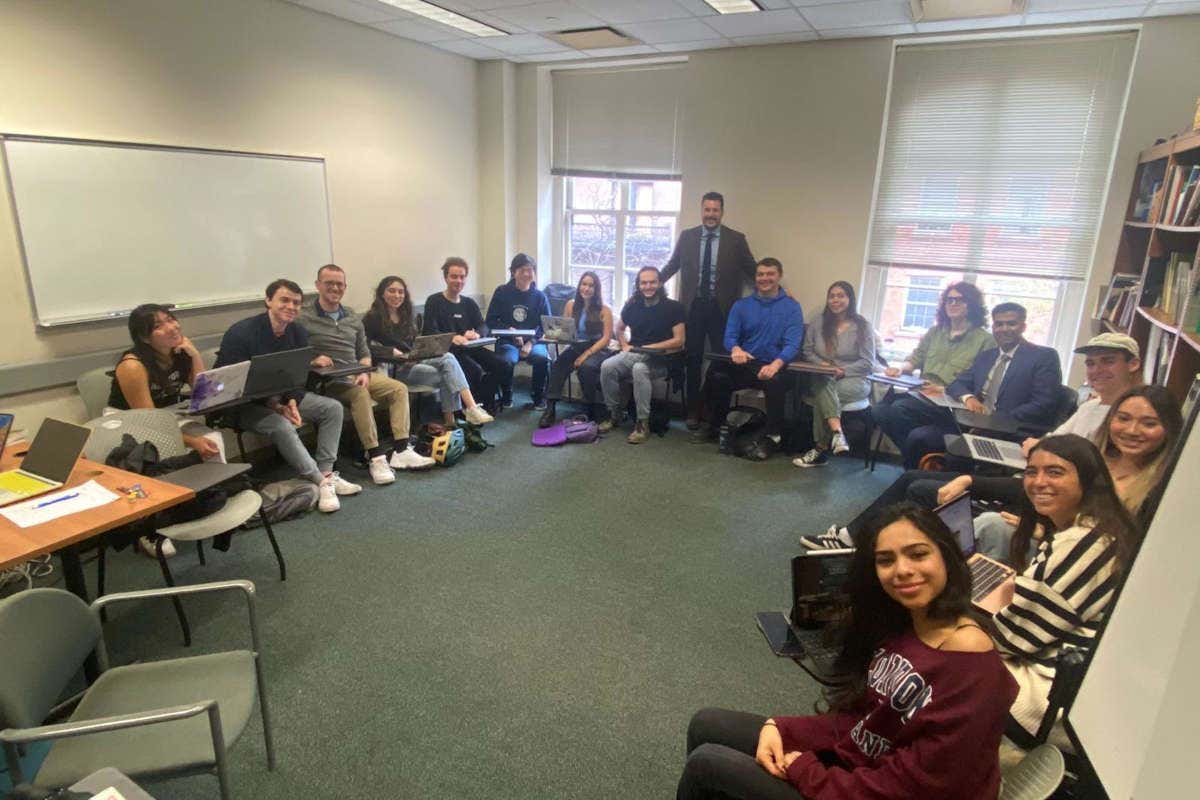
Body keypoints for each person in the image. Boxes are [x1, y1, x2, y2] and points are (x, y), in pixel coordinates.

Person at [678, 503, 1016, 799]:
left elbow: (914, 789)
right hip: (865, 766)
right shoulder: (909, 623)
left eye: (918, 554)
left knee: (707, 765)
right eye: (886, 560)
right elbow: (866, 722)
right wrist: (782, 728)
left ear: (947, 557)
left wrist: (806, 771)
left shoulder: (971, 668)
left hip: (892, 792)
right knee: (708, 723)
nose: (902, 571)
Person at [800, 332, 1145, 552]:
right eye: (1092, 363)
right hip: (1025, 464)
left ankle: (869, 541)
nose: (1097, 370)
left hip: (1030, 481)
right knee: (902, 436)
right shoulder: (1093, 404)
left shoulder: (1121, 418)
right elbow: (1054, 440)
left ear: (1133, 364)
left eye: (1108, 363)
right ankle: (858, 538)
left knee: (918, 482)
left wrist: (1032, 447)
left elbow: (1069, 458)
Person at [991, 434, 1142, 750]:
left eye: (1055, 472)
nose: (1039, 482)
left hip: (1050, 698)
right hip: (1067, 671)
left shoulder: (1085, 541)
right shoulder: (1092, 526)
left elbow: (1014, 641)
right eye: (1032, 471)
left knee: (941, 659)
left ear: (1087, 480)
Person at [968, 385, 1181, 564]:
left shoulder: (1165, 487)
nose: (1132, 430)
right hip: (1055, 541)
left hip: (1089, 564)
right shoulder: (1094, 458)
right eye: (1123, 418)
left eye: (1149, 424)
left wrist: (1048, 535)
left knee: (990, 526)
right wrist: (970, 481)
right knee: (988, 524)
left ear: (1169, 428)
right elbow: (1042, 487)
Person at [215, 279, 359, 513]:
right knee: (281, 425)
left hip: (279, 398)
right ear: (268, 300)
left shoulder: (298, 332)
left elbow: (296, 375)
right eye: (284, 300)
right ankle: (319, 481)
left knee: (332, 408)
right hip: (242, 404)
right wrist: (274, 405)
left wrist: (291, 400)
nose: (291, 306)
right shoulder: (241, 334)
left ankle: (327, 472)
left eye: (296, 303)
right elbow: (232, 384)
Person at [299, 264, 435, 485]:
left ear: (345, 287)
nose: (335, 288)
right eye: (329, 283)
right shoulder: (303, 318)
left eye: (339, 284)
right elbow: (294, 353)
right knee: (360, 394)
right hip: (327, 380)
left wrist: (364, 370)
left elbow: (364, 352)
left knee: (398, 389)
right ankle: (376, 457)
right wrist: (313, 360)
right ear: (318, 286)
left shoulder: (352, 317)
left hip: (357, 373)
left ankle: (401, 450)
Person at [108, 303, 226, 558]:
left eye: (171, 319)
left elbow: (203, 396)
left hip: (165, 414)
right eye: (159, 325)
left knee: (212, 438)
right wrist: (191, 441)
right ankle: (150, 527)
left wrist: (194, 356)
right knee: (161, 452)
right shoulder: (133, 365)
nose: (171, 327)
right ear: (143, 337)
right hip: (127, 424)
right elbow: (147, 423)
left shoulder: (180, 350)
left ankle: (209, 504)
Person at [887, 302, 1061, 469]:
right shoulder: (987, 356)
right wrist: (968, 397)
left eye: (1011, 324)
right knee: (917, 436)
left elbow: (1043, 403)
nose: (1004, 329)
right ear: (993, 328)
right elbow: (957, 384)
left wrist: (994, 419)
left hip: (1008, 431)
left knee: (946, 450)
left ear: (1023, 327)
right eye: (999, 324)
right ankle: (917, 483)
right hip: (970, 422)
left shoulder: (1042, 357)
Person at [871, 282, 995, 468]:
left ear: (972, 305)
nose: (953, 304)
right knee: (879, 410)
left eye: (959, 300)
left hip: (952, 402)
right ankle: (920, 460)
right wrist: (899, 368)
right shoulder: (935, 332)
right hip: (923, 395)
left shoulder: (985, 340)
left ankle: (914, 462)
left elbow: (981, 382)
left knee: (899, 408)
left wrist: (943, 389)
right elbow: (915, 359)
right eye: (949, 300)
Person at [660, 191, 757, 429]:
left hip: (722, 309)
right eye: (707, 210)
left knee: (722, 360)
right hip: (693, 307)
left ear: (722, 212)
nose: (711, 214)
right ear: (701, 211)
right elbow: (672, 265)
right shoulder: (687, 237)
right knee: (692, 359)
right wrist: (650, 284)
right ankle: (692, 410)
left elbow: (753, 270)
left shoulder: (736, 239)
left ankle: (713, 410)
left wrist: (777, 291)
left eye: (715, 210)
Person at [691, 257, 803, 447]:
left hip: (774, 365)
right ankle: (715, 425)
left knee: (775, 383)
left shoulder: (792, 307)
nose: (764, 278)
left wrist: (775, 365)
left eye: (770, 274)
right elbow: (730, 337)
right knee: (717, 374)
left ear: (779, 276)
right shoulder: (741, 305)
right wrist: (736, 349)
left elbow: (793, 344)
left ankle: (773, 436)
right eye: (760, 274)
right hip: (746, 363)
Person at [361, 275, 493, 428]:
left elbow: (413, 343)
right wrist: (390, 351)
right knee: (448, 372)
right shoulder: (372, 318)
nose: (397, 295)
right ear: (382, 293)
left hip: (413, 361)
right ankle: (468, 411)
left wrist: (422, 350)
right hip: (393, 369)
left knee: (447, 359)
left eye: (400, 292)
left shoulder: (406, 315)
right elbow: (362, 347)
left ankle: (454, 421)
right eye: (392, 291)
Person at [792, 282, 876, 468]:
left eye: (841, 295)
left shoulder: (863, 326)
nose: (835, 300)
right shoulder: (818, 324)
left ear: (850, 299)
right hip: (823, 375)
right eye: (832, 296)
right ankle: (838, 435)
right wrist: (822, 365)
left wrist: (843, 370)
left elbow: (868, 362)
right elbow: (807, 351)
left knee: (823, 394)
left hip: (854, 379)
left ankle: (820, 449)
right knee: (824, 386)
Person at [599, 267, 686, 444]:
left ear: (660, 283)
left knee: (639, 368)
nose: (648, 286)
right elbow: (619, 328)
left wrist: (651, 347)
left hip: (663, 359)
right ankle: (615, 414)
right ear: (638, 285)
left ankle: (642, 423)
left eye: (652, 282)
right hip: (637, 353)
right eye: (643, 283)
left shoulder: (674, 307)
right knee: (607, 366)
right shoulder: (632, 305)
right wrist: (624, 345)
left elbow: (679, 340)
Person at [422, 257, 508, 414]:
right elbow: (429, 331)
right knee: (474, 370)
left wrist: (476, 333)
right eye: (454, 276)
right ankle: (469, 408)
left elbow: (484, 326)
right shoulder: (434, 301)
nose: (458, 281)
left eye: (462, 277)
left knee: (502, 364)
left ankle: (484, 402)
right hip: (449, 352)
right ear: (445, 278)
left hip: (470, 348)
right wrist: (452, 337)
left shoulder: (468, 303)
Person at [538, 271, 613, 428]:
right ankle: (550, 408)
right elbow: (565, 331)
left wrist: (586, 354)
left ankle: (592, 407)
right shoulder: (571, 305)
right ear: (579, 286)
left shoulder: (605, 310)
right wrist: (552, 335)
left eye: (591, 285)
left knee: (586, 368)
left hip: (597, 348)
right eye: (584, 284)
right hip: (577, 345)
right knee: (558, 365)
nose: (586, 288)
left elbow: (606, 339)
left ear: (597, 289)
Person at [486, 253, 552, 410]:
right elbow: (491, 320)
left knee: (542, 357)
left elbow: (546, 325)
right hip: (507, 341)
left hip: (533, 342)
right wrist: (509, 331)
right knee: (506, 360)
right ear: (513, 272)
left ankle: (538, 397)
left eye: (530, 270)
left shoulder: (540, 296)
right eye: (522, 270)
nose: (526, 274)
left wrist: (531, 343)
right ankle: (507, 396)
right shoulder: (502, 292)